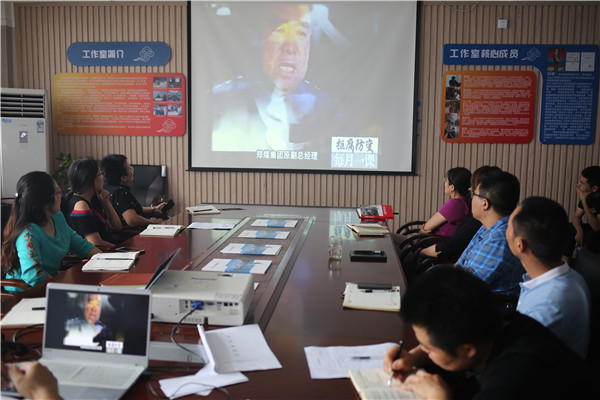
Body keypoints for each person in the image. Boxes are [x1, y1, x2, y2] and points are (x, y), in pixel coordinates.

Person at [383, 266, 594, 400]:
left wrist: (440, 398)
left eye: (429, 348)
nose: (424, 350)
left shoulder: (512, 379)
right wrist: (413, 356)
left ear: (468, 350)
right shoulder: (495, 318)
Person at [211, 4, 344, 152]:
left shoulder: (331, 113)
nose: (290, 47)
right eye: (279, 30)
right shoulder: (217, 103)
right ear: (255, 36)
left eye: (301, 33)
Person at [506, 196, 590, 358]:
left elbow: (518, 361)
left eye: (508, 226)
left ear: (520, 245)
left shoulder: (547, 306)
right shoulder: (569, 275)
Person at [1, 172, 100, 289]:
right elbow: (33, 276)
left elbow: (81, 246)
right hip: (24, 293)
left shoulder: (57, 217)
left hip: (50, 285)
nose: (61, 195)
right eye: (58, 192)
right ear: (46, 202)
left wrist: (109, 261)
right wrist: (63, 285)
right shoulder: (28, 233)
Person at [455, 169, 524, 297]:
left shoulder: (500, 239)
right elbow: (459, 265)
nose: (471, 198)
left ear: (484, 203)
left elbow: (464, 288)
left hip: (482, 306)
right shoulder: (487, 227)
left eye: (473, 194)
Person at [420, 166, 501, 261]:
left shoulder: (457, 205)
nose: (470, 190)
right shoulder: (482, 223)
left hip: (432, 248)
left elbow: (427, 229)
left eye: (474, 192)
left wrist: (421, 251)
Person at [63, 158, 122, 249]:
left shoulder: (92, 199)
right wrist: (121, 249)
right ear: (91, 179)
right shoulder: (81, 205)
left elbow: (117, 227)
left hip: (108, 249)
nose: (102, 178)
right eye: (100, 174)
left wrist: (106, 202)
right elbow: (95, 242)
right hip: (102, 253)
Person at [100, 154, 166, 228]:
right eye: (129, 167)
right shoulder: (121, 192)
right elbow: (132, 220)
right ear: (123, 178)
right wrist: (154, 222)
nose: (132, 169)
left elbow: (129, 209)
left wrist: (154, 209)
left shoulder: (106, 188)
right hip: (133, 233)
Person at [419, 167, 471, 238]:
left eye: (445, 181)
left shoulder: (454, 204)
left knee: (401, 239)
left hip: (431, 243)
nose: (444, 183)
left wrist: (421, 231)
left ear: (452, 187)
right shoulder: (464, 203)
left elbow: (426, 228)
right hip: (437, 241)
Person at [567, 166, 600, 254]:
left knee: (592, 236)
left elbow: (597, 228)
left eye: (582, 183)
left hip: (597, 230)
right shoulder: (588, 195)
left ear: (594, 188)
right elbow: (576, 217)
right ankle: (565, 261)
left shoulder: (586, 197)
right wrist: (579, 230)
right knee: (570, 228)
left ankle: (587, 262)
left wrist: (584, 201)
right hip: (595, 229)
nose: (578, 185)